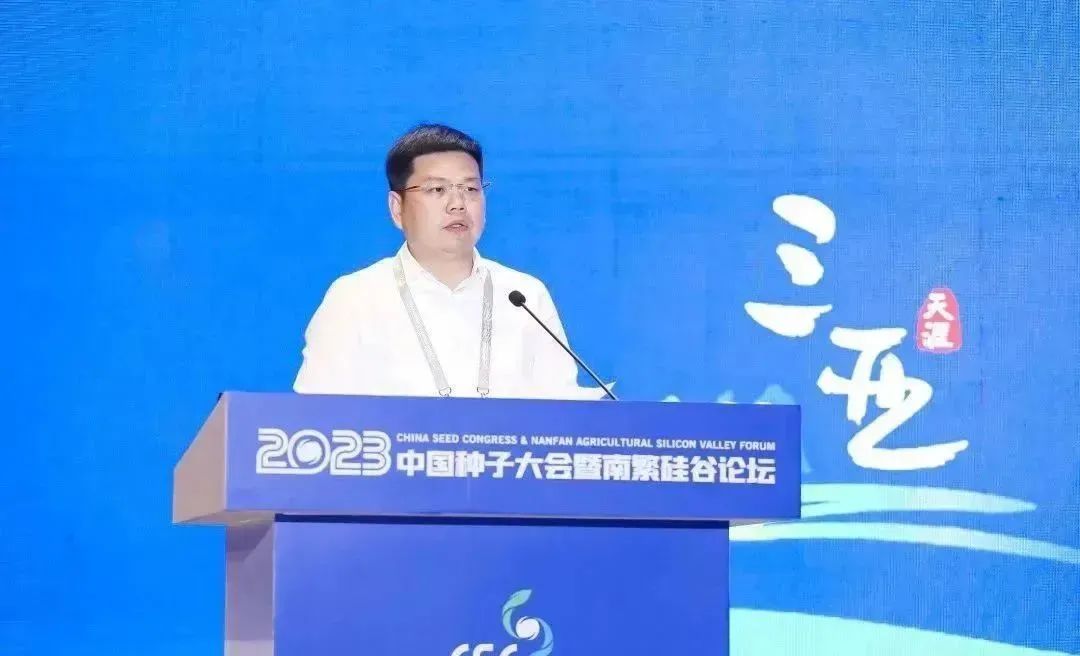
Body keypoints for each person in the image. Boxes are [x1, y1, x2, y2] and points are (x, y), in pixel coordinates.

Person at [293, 123, 606, 400]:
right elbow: (317, 417)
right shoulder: (354, 298)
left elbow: (562, 411)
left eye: (470, 189)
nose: (457, 204)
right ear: (397, 208)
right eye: (437, 189)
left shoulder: (524, 295)